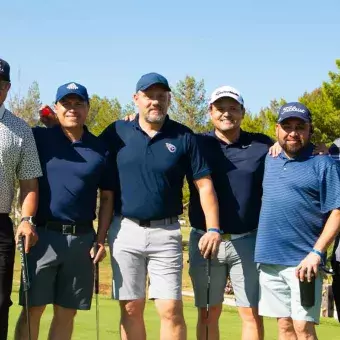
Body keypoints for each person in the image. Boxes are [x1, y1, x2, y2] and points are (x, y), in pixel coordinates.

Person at [100, 72, 221, 340]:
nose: (155, 101)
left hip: (166, 233)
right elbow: (87, 155)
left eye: (161, 96)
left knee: (171, 309)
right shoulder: (116, 131)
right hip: (125, 230)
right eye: (149, 96)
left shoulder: (183, 136)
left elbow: (204, 185)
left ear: (169, 99)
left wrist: (213, 227)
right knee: (131, 307)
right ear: (136, 99)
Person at [14, 82, 115, 340]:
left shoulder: (100, 148)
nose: (73, 109)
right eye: (66, 104)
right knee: (32, 309)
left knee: (66, 313)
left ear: (87, 108)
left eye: (78, 104)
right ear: (56, 107)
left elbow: (106, 197)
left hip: (82, 240)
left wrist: (100, 239)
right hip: (42, 236)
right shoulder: (39, 138)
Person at [188, 86, 273, 340]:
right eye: (221, 108)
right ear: (211, 112)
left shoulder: (262, 144)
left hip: (247, 240)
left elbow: (293, 151)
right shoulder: (196, 143)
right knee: (207, 313)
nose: (227, 113)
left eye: (233, 108)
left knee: (250, 312)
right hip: (205, 240)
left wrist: (321, 148)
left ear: (243, 112)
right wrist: (131, 119)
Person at [255, 102, 340, 339]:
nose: (293, 132)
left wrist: (317, 252)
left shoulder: (323, 163)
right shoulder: (269, 159)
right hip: (269, 258)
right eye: (287, 126)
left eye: (299, 127)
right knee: (284, 326)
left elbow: (337, 212)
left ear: (310, 130)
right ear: (277, 130)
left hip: (304, 263)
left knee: (304, 328)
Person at [0, 57, 42, 339]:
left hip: (0, 225)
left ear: (8, 88)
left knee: (1, 302)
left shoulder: (20, 129)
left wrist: (26, 219)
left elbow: (28, 183)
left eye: (0, 85)